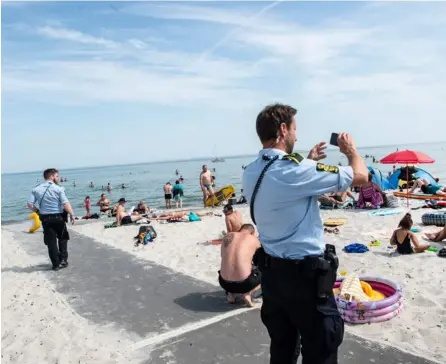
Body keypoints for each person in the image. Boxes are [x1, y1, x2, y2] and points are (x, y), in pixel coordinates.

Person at [242, 103, 368, 364]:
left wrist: (308, 161)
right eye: (295, 130)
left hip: (274, 281)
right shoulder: (294, 170)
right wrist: (351, 151)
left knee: (283, 349)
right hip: (306, 283)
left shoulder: (252, 171)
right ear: (283, 129)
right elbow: (360, 175)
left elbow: (282, 182)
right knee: (321, 350)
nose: (297, 137)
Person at [27, 168, 76, 271]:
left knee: (51, 242)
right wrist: (72, 214)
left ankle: (55, 264)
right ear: (52, 176)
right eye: (57, 176)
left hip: (45, 219)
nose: (57, 178)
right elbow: (65, 203)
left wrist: (38, 211)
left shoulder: (36, 189)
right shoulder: (59, 189)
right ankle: (63, 260)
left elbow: (30, 205)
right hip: (58, 217)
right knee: (63, 237)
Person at [218, 224, 262, 307]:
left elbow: (223, 256)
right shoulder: (253, 239)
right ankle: (248, 294)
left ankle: (231, 293)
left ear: (239, 230)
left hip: (224, 283)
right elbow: (260, 261)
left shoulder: (227, 236)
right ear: (252, 233)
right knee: (266, 272)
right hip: (245, 284)